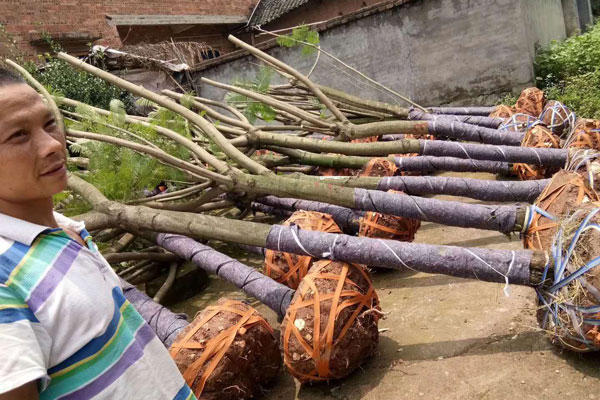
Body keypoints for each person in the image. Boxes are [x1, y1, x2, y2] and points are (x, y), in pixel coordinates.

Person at [0, 69, 195, 399]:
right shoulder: (5, 279)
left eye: (49, 124)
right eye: (19, 135)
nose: (52, 145)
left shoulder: (64, 228)